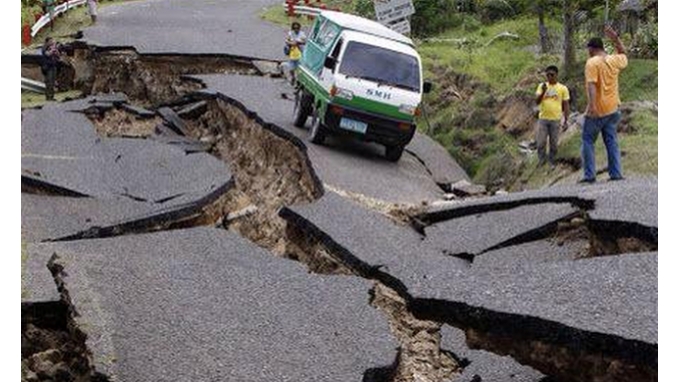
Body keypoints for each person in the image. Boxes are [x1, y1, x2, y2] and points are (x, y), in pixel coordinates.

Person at [580, 25, 628, 183]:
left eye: (588, 50)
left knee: (587, 140)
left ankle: (589, 176)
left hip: (598, 110)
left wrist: (592, 107)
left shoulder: (592, 63)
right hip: (613, 109)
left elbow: (592, 85)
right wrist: (615, 38)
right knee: (611, 141)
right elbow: (623, 54)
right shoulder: (614, 60)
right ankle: (615, 174)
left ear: (592, 49)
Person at [535, 65, 570, 167]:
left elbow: (566, 104)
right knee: (541, 142)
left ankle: (552, 160)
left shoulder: (562, 88)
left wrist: (566, 120)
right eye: (548, 75)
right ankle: (542, 159)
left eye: (552, 75)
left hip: (556, 119)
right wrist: (543, 92)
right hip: (543, 119)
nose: (550, 77)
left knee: (554, 143)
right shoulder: (542, 86)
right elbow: (537, 101)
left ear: (556, 75)